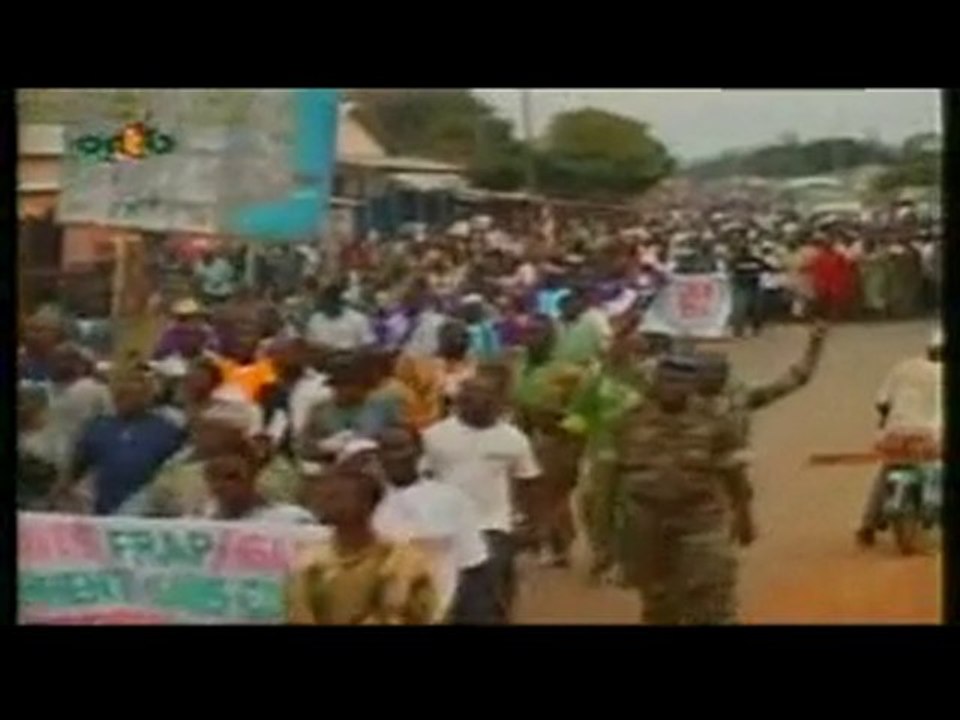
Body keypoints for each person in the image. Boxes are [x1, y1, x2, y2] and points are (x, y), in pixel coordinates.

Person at [600, 354, 749, 625]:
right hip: (645, 523)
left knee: (711, 599)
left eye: (681, 380)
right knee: (659, 603)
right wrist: (605, 535)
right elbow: (609, 480)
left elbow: (734, 474)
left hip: (700, 519)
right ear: (654, 382)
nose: (673, 386)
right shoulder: (626, 421)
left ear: (693, 385)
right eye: (666, 379)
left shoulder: (715, 421)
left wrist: (745, 517)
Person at [421, 376, 541, 623]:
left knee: (484, 595)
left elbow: (528, 481)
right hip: (444, 527)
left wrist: (530, 522)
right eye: (472, 398)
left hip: (494, 525)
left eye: (488, 399)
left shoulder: (513, 438)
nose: (480, 404)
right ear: (459, 403)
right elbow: (423, 479)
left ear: (498, 403)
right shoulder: (434, 436)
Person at [288, 464, 441, 625]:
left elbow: (422, 615)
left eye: (336, 496)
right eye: (323, 495)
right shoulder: (308, 563)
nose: (325, 501)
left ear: (367, 503)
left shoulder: (404, 561)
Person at [372, 426, 490, 623]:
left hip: (443, 612)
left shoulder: (451, 498)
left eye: (401, 447)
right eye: (386, 449)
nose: (394, 456)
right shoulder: (365, 505)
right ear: (377, 455)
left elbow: (473, 564)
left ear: (419, 450)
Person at [512, 314, 588, 567]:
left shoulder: (568, 371)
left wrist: (562, 428)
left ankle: (559, 546)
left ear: (551, 337)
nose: (530, 338)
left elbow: (584, 411)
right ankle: (543, 541)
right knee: (530, 494)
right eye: (527, 333)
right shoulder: (521, 365)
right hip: (527, 435)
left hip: (557, 439)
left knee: (553, 496)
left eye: (537, 333)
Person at [57, 368, 185, 515]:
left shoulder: (168, 430)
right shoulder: (98, 425)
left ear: (149, 397)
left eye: (133, 395)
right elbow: (74, 469)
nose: (124, 399)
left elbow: (176, 474)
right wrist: (59, 494)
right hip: (103, 509)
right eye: (121, 395)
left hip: (149, 510)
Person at [857, 328, 943, 546]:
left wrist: (888, 424)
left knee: (886, 470)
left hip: (895, 434)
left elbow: (882, 403)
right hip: (929, 438)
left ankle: (867, 524)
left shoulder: (903, 367)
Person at [298, 351, 403, 462]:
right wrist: (322, 447)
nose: (343, 390)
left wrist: (378, 442)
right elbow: (303, 448)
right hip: (337, 469)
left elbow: (401, 436)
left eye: (349, 385)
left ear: (364, 385)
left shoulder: (384, 405)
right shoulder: (320, 410)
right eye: (338, 385)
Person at [44, 343, 114, 476]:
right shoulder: (41, 389)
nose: (62, 364)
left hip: (82, 461)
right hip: (44, 460)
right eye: (57, 359)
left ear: (81, 364)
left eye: (68, 359)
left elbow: (110, 421)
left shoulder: (95, 389)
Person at [204, 441, 314, 524]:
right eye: (213, 477)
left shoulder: (292, 518)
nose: (220, 485)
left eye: (231, 477)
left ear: (253, 476)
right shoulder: (201, 525)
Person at [305, 282, 375, 352]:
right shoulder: (315, 319)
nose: (327, 305)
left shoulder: (358, 318)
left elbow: (368, 343)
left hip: (351, 358)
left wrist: (352, 352)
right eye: (324, 302)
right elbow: (310, 342)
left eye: (331, 301)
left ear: (339, 301)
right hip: (323, 358)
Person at [152, 298, 219, 363]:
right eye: (183, 318)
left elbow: (212, 347)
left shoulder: (205, 331)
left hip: (199, 364)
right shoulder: (172, 331)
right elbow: (163, 350)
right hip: (174, 364)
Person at [19, 306, 66, 385]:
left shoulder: (69, 359)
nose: (32, 335)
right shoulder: (21, 358)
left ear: (57, 334)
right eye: (30, 330)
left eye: (39, 330)